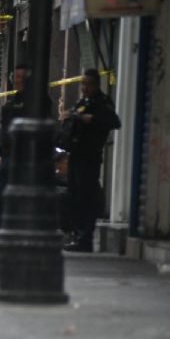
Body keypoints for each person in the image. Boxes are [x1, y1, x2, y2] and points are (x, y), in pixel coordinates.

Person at [0, 64, 51, 255]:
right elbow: (6, 131)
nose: (18, 81)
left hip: (28, 159)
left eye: (22, 78)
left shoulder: (38, 101)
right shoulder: (13, 102)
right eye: (16, 77)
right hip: (9, 156)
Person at [62, 69, 121, 252]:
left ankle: (85, 237)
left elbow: (114, 122)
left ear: (96, 85)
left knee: (86, 197)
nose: (84, 88)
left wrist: (92, 119)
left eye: (87, 84)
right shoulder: (83, 102)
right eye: (82, 84)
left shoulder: (102, 104)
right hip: (76, 154)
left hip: (89, 156)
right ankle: (77, 234)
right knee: (75, 196)